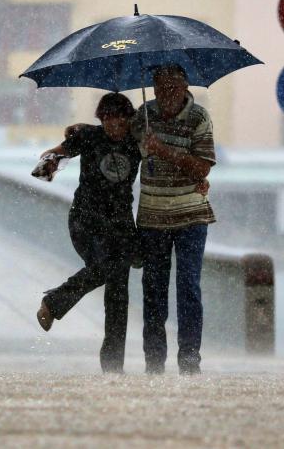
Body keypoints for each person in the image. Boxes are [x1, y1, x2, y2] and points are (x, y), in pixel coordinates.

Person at [36, 92, 141, 373]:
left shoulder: (139, 138)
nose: (113, 127)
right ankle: (54, 301)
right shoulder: (89, 136)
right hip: (86, 221)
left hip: (120, 224)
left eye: (118, 121)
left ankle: (112, 365)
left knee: (118, 292)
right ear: (101, 120)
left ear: (128, 120)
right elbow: (53, 154)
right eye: (107, 121)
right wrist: (49, 162)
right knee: (105, 267)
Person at [133, 64, 216, 375]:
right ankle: (154, 361)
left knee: (188, 286)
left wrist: (163, 151)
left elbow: (202, 168)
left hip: (191, 215)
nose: (164, 94)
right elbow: (121, 146)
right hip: (153, 216)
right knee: (153, 288)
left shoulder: (198, 117)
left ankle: (189, 359)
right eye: (159, 87)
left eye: (172, 87)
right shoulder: (143, 115)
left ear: (185, 88)